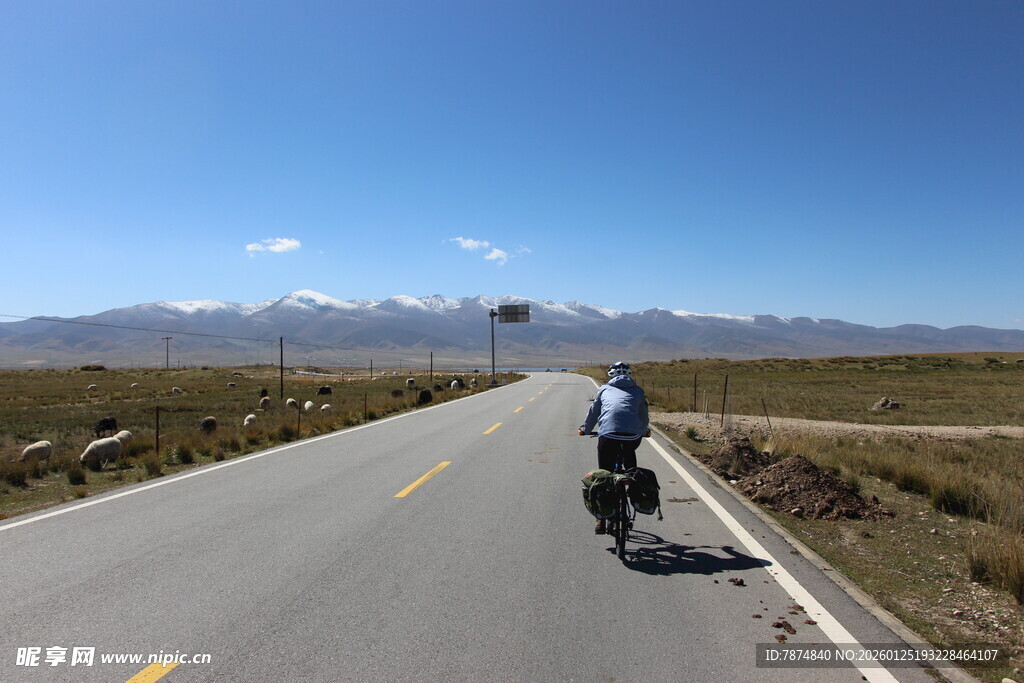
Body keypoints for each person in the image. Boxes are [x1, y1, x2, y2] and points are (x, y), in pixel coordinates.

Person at [579, 361, 650, 534]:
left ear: (610, 376)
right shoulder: (638, 391)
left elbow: (594, 412)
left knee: (605, 474)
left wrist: (585, 429)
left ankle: (600, 519)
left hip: (608, 436)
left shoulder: (604, 390)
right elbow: (643, 416)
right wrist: (644, 431)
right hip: (632, 436)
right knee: (630, 464)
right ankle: (633, 488)